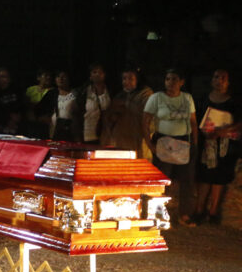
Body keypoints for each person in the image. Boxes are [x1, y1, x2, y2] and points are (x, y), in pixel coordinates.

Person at [143, 68, 198, 225]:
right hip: (163, 141)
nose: (170, 82)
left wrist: (195, 144)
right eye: (168, 79)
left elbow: (193, 122)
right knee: (162, 179)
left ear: (181, 82)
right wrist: (150, 144)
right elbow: (145, 121)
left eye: (174, 79)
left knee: (187, 179)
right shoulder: (157, 98)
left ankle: (185, 215)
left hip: (183, 142)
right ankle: (158, 214)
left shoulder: (187, 98)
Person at [190, 68, 241, 225]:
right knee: (204, 177)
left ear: (228, 82)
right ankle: (199, 210)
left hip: (225, 147)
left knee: (219, 179)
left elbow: (239, 123)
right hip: (206, 145)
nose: (219, 80)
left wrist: (224, 131)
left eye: (223, 78)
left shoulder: (234, 102)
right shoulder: (203, 100)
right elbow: (196, 120)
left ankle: (213, 213)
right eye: (216, 77)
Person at [100, 67, 153, 159]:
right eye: (124, 78)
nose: (126, 81)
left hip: (135, 139)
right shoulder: (119, 95)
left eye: (130, 79)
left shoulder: (145, 94)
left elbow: (147, 116)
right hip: (116, 139)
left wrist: (126, 105)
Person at [74, 63, 111, 144]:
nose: (97, 74)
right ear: (90, 76)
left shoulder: (110, 92)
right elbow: (76, 114)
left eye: (100, 72)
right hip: (86, 134)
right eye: (94, 72)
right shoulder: (83, 92)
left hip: (105, 135)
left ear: (104, 75)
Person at [40, 70, 76, 141]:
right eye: (58, 76)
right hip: (53, 131)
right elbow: (39, 110)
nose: (61, 79)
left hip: (71, 131)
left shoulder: (75, 94)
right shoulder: (51, 93)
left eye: (64, 77)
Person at [0, 67, 22, 134]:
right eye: (2, 77)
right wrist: (8, 118)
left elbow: (21, 105)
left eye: (6, 77)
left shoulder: (16, 90)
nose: (5, 79)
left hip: (16, 125)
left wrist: (16, 117)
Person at [24, 68, 53, 139]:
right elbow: (26, 105)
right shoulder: (30, 90)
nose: (48, 78)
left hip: (45, 120)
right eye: (46, 75)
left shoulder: (52, 91)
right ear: (38, 78)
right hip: (31, 119)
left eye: (49, 76)